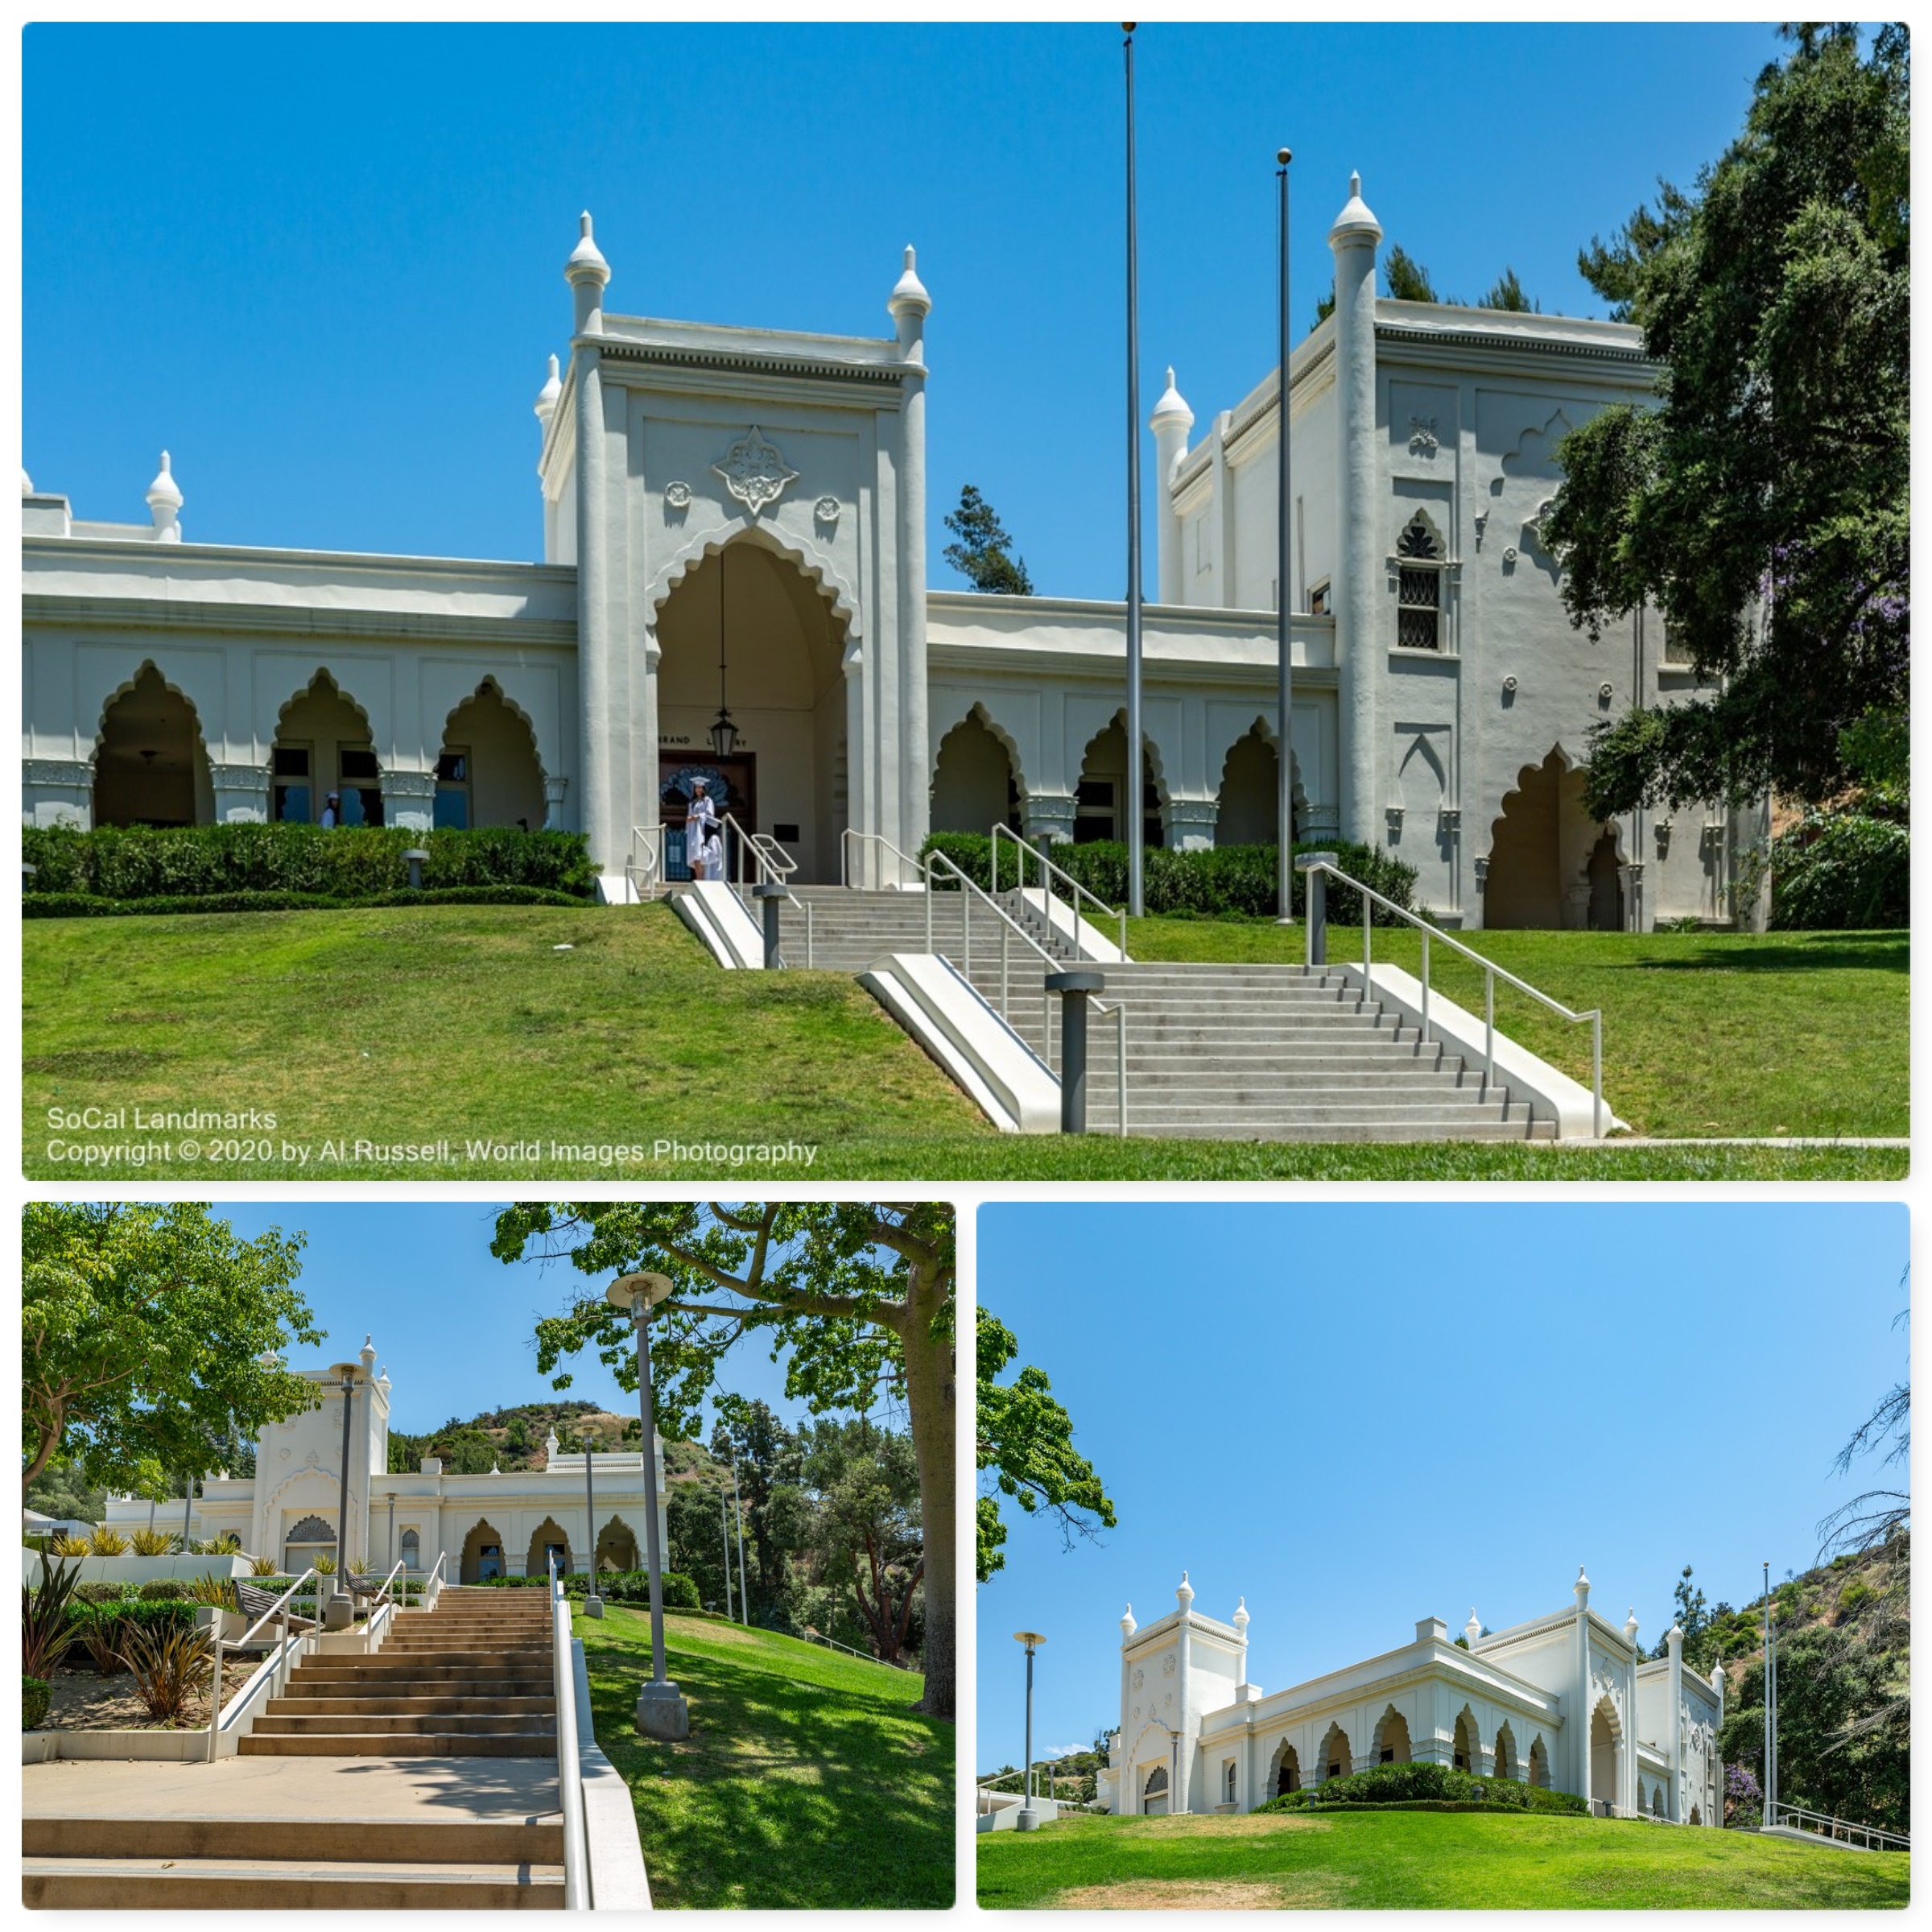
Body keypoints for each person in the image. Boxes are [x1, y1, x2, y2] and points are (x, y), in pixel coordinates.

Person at [686, 778, 723, 881]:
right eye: (696, 788)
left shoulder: (707, 801)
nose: (698, 790)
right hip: (693, 831)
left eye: (700, 787)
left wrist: (697, 817)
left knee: (699, 855)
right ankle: (698, 878)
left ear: (703, 789)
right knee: (694, 856)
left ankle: (702, 879)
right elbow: (690, 815)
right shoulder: (692, 802)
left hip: (701, 831)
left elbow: (709, 815)